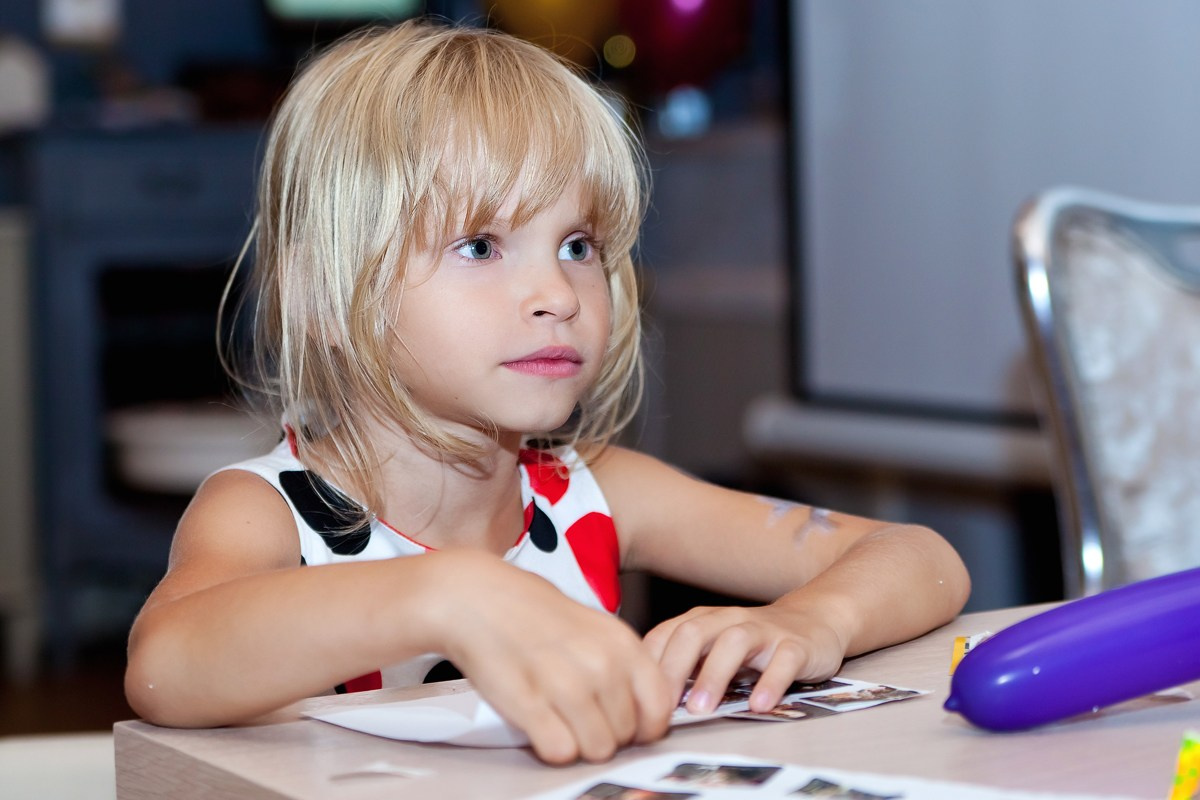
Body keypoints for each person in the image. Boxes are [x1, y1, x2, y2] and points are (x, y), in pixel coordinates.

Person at [124, 19, 970, 766]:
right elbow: (166, 665)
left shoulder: (591, 492)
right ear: (326, 298)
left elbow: (922, 557)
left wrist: (810, 622)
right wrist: (447, 594)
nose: (559, 295)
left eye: (577, 244)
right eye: (482, 246)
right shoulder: (265, 512)